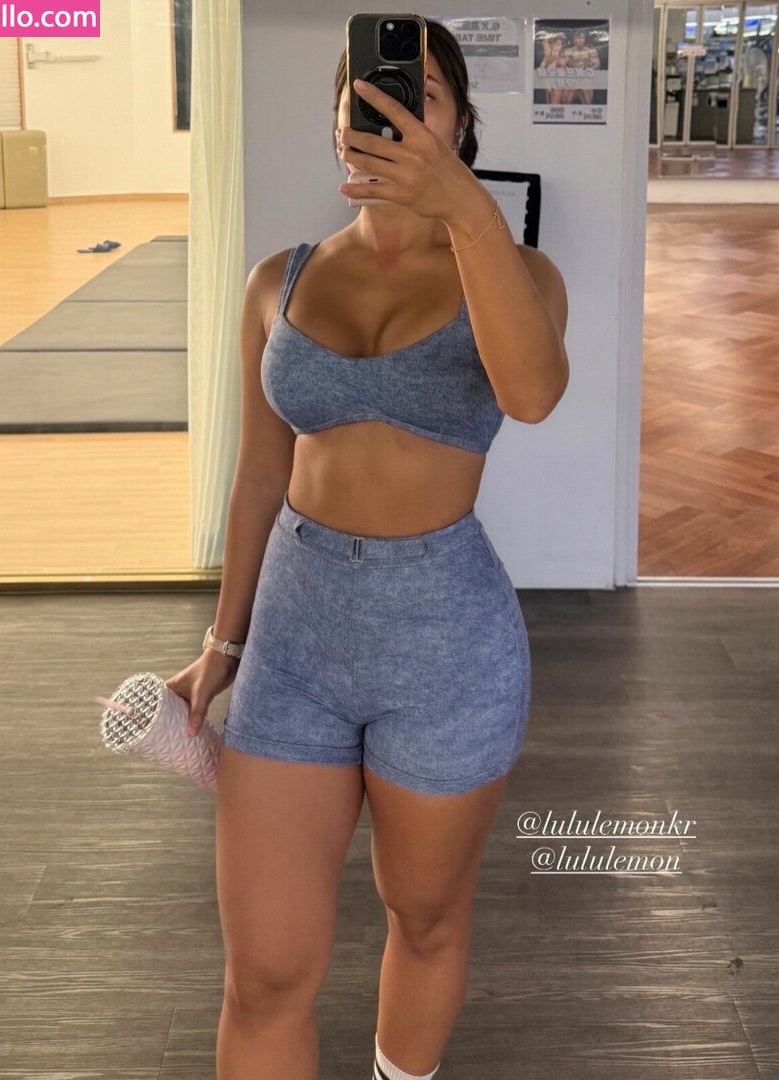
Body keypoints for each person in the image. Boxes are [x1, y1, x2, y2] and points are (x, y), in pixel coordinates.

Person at [167, 19, 569, 1080]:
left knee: (425, 920)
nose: (390, 111)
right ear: (336, 120)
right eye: (369, 92)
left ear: (459, 123)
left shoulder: (520, 272)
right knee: (263, 975)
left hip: (447, 646)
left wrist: (464, 208)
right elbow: (259, 476)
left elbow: (532, 395)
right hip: (295, 640)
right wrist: (221, 644)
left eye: (420, 94)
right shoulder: (278, 280)